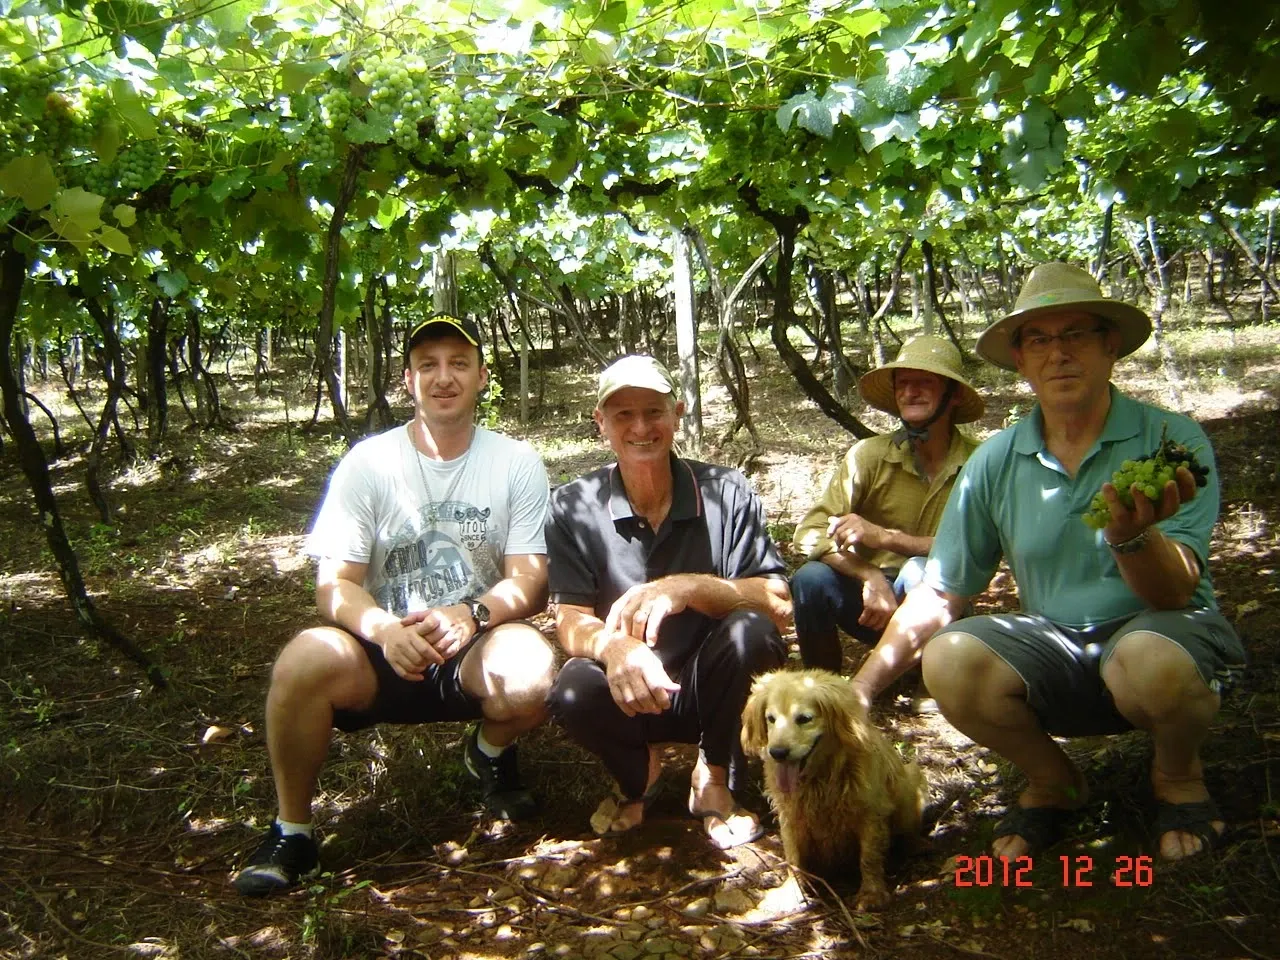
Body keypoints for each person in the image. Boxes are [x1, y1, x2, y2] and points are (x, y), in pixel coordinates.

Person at [850, 263, 1247, 862]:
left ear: (1109, 345)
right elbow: (941, 592)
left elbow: (1177, 593)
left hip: (1163, 643)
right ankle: (1053, 782)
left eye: (1076, 334)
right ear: (1020, 359)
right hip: (1056, 647)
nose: (1058, 354)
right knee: (951, 656)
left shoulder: (1171, 441)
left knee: (1149, 656)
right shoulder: (997, 462)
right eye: (1039, 339)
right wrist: (861, 689)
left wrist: (1131, 537)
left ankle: (1179, 777)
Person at [233, 314, 555, 896]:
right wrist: (382, 629)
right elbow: (334, 584)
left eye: (459, 363)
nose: (444, 378)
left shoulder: (517, 462)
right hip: (382, 652)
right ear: (409, 381)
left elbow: (530, 579)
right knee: (304, 659)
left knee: (534, 671)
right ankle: (293, 831)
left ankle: (487, 753)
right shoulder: (369, 463)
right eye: (428, 365)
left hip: (471, 648)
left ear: (483, 377)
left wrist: (474, 614)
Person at [545, 355, 792, 849]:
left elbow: (778, 603)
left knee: (752, 633)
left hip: (714, 687)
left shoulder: (726, 492)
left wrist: (685, 588)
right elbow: (570, 620)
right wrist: (615, 648)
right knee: (572, 686)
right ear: (600, 424)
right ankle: (639, 776)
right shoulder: (572, 504)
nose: (641, 427)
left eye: (654, 411)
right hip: (628, 691)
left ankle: (716, 775)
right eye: (622, 415)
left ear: (677, 413)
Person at [790, 336, 984, 677]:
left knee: (918, 571)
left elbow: (975, 549)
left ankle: (934, 677)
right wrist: (869, 574)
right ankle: (823, 690)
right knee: (811, 580)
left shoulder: (979, 462)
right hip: (876, 604)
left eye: (925, 382)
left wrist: (888, 539)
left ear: (952, 395)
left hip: (942, 608)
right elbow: (809, 533)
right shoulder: (868, 456)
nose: (911, 392)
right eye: (903, 384)